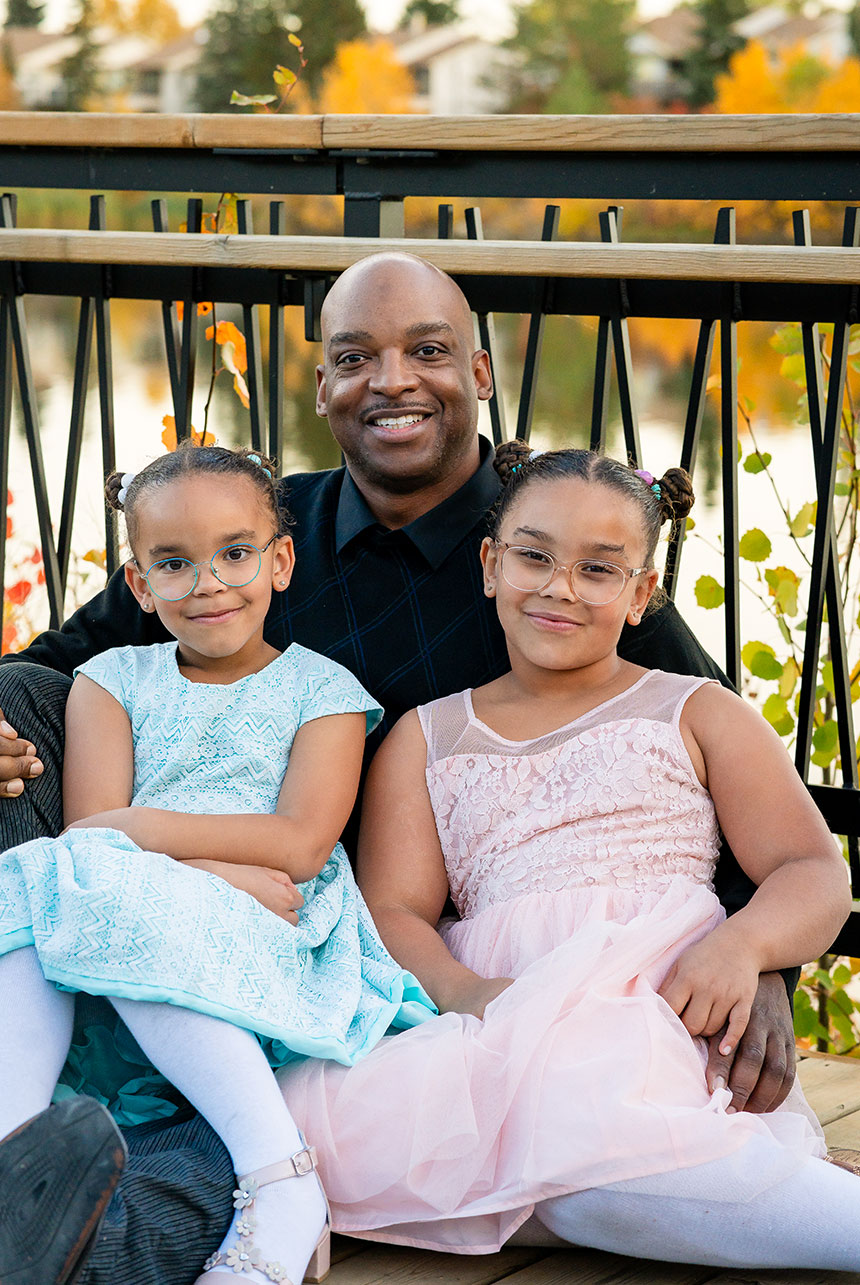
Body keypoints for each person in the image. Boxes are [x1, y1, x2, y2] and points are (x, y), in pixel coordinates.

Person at [0, 252, 809, 1282]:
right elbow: (54, 665)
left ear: (477, 369)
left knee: (236, 1140)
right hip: (178, 890)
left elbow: (699, 761)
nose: (389, 381)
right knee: (20, 704)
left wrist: (758, 958)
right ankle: (31, 1167)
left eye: (424, 351)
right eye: (354, 357)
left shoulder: (544, 551)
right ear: (322, 381)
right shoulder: (247, 535)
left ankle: (80, 1217)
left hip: (346, 955)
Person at [278, 443, 859, 1271]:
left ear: (641, 594)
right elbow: (394, 909)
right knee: (309, 1129)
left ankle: (796, 1212)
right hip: (495, 1007)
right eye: (534, 556)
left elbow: (813, 870)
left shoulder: (694, 710)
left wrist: (743, 947)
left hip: (649, 998)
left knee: (602, 1127)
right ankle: (611, 1196)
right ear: (489, 564)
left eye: (598, 569)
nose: (558, 586)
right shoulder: (428, 735)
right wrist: (467, 992)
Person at [0, 443, 434, 1285]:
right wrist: (206, 871)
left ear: (279, 560)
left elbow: (302, 844)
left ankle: (279, 1175)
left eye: (235, 554)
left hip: (277, 927)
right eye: (174, 562)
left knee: (102, 885)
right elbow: (91, 840)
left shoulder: (324, 691)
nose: (207, 583)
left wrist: (139, 836)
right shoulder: (109, 679)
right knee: (28, 878)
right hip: (165, 904)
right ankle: (17, 1154)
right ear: (138, 584)